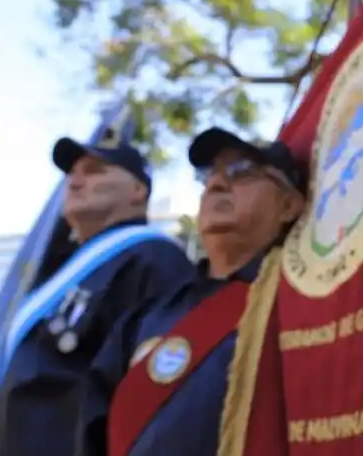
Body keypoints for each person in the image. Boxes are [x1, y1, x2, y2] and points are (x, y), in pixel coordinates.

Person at [78, 127, 305, 456]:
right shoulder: (146, 316)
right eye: (208, 175)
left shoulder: (299, 305)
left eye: (242, 171)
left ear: (289, 204)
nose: (216, 184)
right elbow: (93, 428)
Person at [0, 136, 195, 456]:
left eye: (94, 170)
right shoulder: (61, 274)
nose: (75, 182)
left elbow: (154, 390)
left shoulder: (155, 260)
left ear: (138, 190)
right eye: (72, 173)